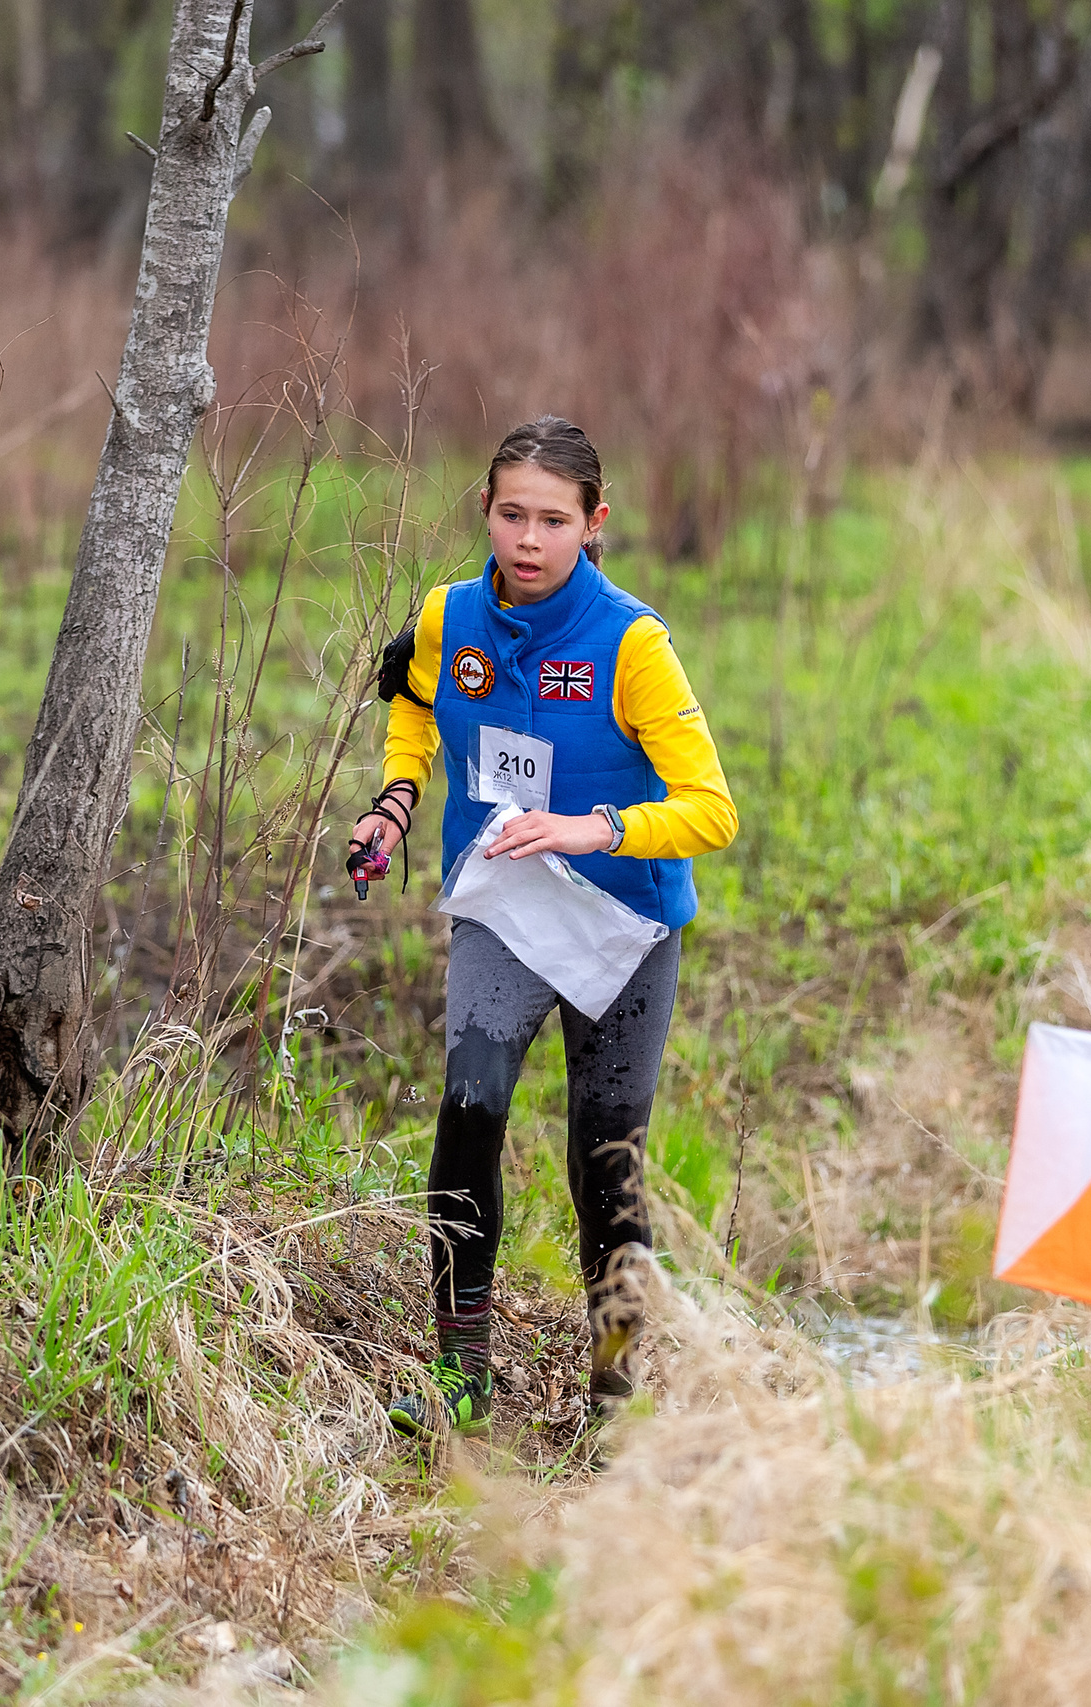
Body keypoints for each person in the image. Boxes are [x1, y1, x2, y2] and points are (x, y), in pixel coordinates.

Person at [347, 416, 737, 1437]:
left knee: (603, 1163)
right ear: (486, 510)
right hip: (505, 904)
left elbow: (712, 809)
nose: (528, 539)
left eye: (553, 520)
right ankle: (460, 1377)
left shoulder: (632, 643)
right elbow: (416, 702)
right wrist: (394, 801)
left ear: (593, 524)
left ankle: (611, 1395)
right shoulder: (448, 616)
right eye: (512, 513)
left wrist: (593, 826)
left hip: (624, 922)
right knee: (467, 1113)